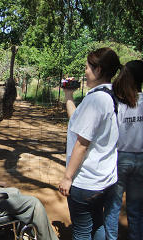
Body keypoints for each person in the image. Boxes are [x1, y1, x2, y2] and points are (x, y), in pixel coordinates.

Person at [58, 47, 120, 240]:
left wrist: (68, 177)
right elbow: (78, 121)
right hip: (106, 179)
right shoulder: (113, 95)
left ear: (98, 70)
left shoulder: (96, 100)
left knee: (82, 230)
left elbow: (82, 143)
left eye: (87, 67)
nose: (85, 72)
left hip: (86, 181)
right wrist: (68, 95)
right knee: (97, 223)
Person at [104, 60, 143, 240]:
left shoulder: (118, 101)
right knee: (136, 207)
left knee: (113, 206)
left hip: (120, 158)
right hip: (141, 159)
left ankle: (111, 238)